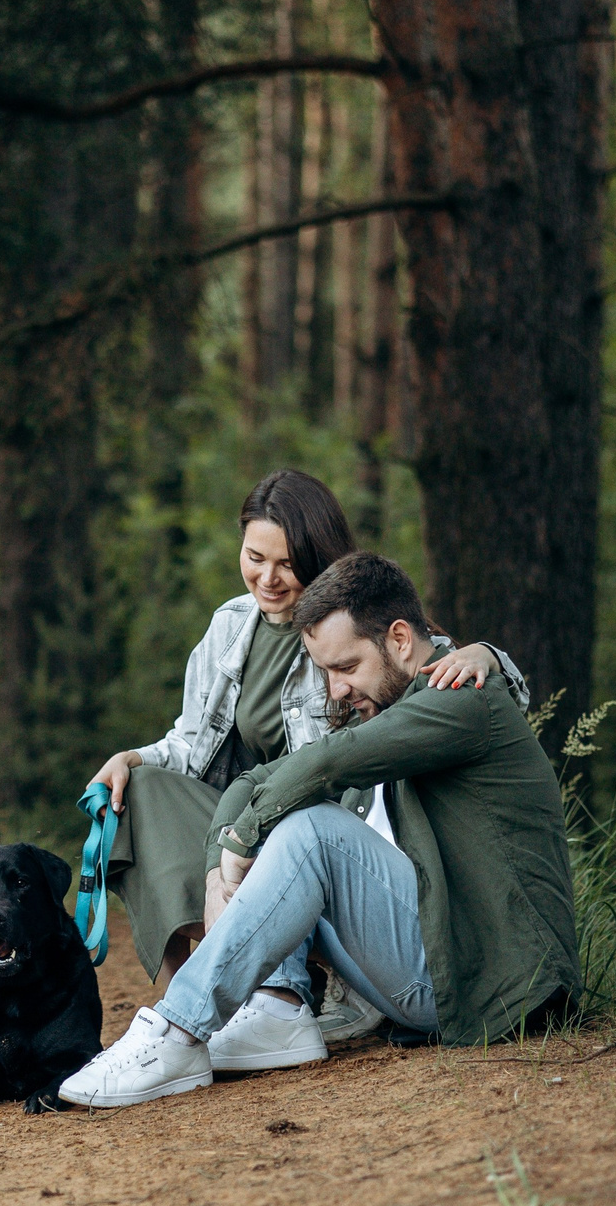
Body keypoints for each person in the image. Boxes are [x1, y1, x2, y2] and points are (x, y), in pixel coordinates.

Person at [58, 551, 578, 1107]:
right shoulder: (391, 701)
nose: (334, 691)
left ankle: (179, 1029)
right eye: (326, 672)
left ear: (400, 639)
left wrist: (241, 838)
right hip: (431, 973)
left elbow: (328, 763)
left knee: (313, 830)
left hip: (501, 988)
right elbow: (260, 778)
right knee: (290, 818)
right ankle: (277, 1009)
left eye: (346, 667)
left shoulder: (464, 696)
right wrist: (218, 864)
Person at [87, 472, 527, 1047]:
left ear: (318, 558)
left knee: (294, 824)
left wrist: (488, 654)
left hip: (321, 820)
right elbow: (192, 744)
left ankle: (296, 992)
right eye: (254, 557)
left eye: (287, 564)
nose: (267, 579)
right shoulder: (229, 625)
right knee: (139, 791)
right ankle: (184, 1004)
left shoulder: (345, 627)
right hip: (260, 802)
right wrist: (133, 758)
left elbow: (434, 677)